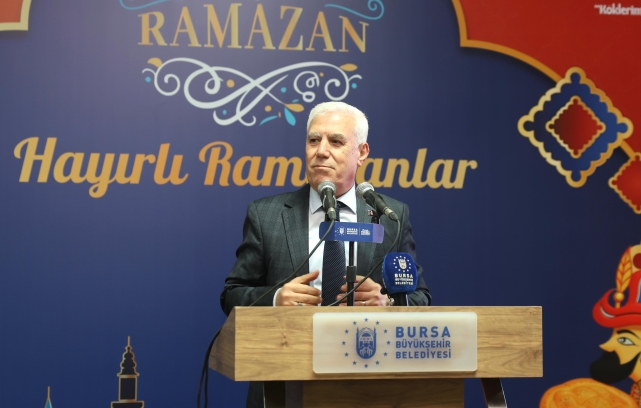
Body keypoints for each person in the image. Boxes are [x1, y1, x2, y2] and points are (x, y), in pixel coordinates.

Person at [220, 101, 431, 407]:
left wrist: (388, 302)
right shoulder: (266, 215)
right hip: (285, 384)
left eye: (336, 141)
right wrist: (276, 299)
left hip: (368, 385)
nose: (321, 151)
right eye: (313, 140)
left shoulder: (390, 216)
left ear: (362, 152)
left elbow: (421, 298)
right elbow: (231, 295)